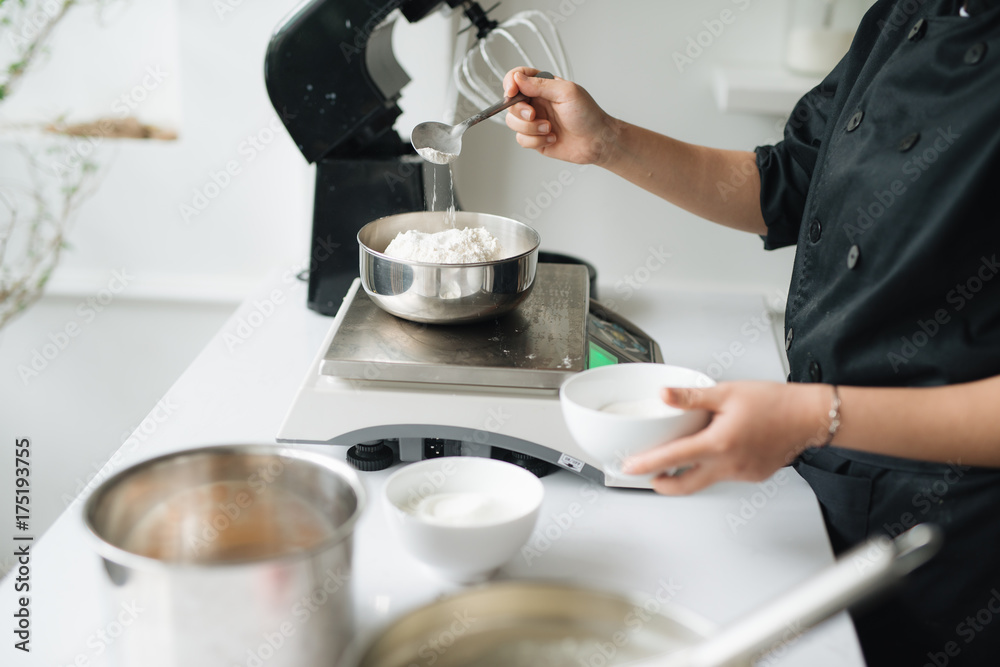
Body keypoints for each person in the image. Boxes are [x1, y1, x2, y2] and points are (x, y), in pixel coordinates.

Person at [503, 1, 999, 664]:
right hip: (832, 476)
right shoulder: (907, 13)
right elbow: (787, 182)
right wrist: (607, 141)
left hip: (955, 536)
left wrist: (814, 414)